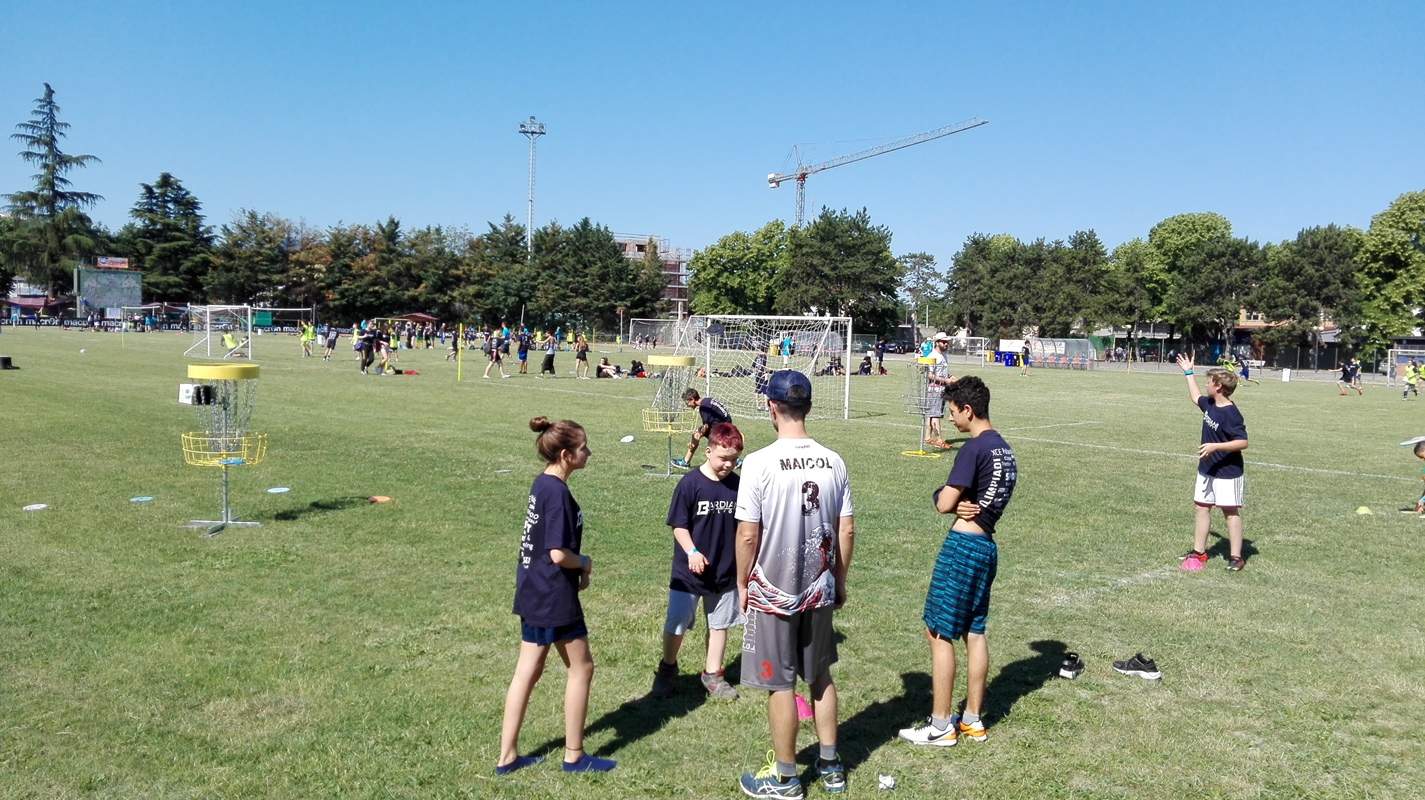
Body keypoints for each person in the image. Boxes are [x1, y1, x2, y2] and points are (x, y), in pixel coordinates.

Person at [734, 369, 854, 797]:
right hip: (820, 588)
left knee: (780, 683)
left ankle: (786, 778)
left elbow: (748, 535)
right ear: (809, 406)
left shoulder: (758, 463)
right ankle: (830, 765)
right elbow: (845, 529)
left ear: (772, 406)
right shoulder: (834, 460)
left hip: (773, 591)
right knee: (820, 675)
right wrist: (839, 580)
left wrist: (743, 583)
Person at [898, 375, 1017, 749]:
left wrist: (944, 496)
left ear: (968, 410)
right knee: (974, 631)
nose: (950, 418)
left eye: (952, 411)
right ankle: (972, 720)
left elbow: (944, 503)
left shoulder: (973, 448)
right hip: (986, 548)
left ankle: (940, 726)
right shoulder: (1005, 450)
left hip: (962, 548)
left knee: (938, 631)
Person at [497, 417, 614, 776]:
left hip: (532, 589)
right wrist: (585, 563)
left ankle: (507, 757)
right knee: (582, 667)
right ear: (565, 455)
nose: (589, 453)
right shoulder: (558, 493)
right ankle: (574, 756)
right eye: (583, 448)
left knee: (527, 671)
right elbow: (558, 553)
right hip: (553, 595)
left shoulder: (541, 483)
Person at [652, 422, 746, 701]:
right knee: (677, 621)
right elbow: (678, 525)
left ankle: (713, 674)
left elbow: (745, 527)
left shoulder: (737, 486)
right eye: (723, 458)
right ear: (708, 451)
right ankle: (667, 667)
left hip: (724, 571)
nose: (728, 465)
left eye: (734, 460)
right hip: (688, 572)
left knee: (719, 624)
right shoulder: (690, 484)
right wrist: (692, 552)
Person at [1175, 354, 1250, 571]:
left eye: (1208, 382)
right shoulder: (1209, 404)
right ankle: (1199, 552)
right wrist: (1188, 372)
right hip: (1207, 468)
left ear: (1218, 386)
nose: (1206, 384)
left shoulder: (1231, 413)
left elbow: (1242, 442)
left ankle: (1236, 557)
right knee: (1201, 507)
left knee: (1229, 511)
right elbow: (1195, 396)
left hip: (1227, 471)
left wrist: (1215, 447)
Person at [676, 388, 732, 469]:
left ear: (692, 399)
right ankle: (685, 461)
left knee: (708, 443)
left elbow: (706, 426)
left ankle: (733, 460)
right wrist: (698, 435)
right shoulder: (707, 401)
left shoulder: (704, 407)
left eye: (687, 402)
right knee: (696, 434)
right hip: (723, 425)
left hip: (722, 429)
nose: (687, 405)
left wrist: (699, 435)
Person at [924, 332, 958, 450]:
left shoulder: (944, 356)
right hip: (934, 389)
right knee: (935, 415)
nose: (945, 344)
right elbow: (929, 375)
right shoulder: (932, 356)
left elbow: (942, 372)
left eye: (946, 342)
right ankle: (939, 440)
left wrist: (950, 377)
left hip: (942, 388)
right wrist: (945, 380)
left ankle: (927, 437)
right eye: (943, 342)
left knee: (932, 414)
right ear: (937, 343)